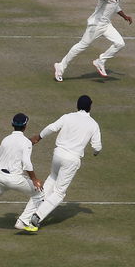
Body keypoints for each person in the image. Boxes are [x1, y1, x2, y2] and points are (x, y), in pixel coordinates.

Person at [24, 95, 102, 232]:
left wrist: (39, 137)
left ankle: (29, 213)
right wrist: (95, 153)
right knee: (59, 193)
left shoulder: (68, 117)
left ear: (77, 106)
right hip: (72, 159)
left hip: (58, 155)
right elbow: (97, 147)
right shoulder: (93, 124)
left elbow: (52, 127)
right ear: (90, 107)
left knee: (52, 179)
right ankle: (37, 217)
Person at [53, 0, 133, 82]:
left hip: (106, 25)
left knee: (120, 43)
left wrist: (125, 17)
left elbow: (116, 7)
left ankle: (100, 61)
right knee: (81, 46)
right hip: (95, 25)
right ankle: (60, 66)